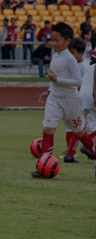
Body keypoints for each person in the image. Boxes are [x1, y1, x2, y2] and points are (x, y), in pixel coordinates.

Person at [33, 22, 96, 178]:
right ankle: (44, 165)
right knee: (48, 130)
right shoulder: (55, 56)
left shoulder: (70, 59)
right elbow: (55, 79)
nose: (53, 43)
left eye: (57, 40)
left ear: (67, 41)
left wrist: (57, 79)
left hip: (70, 100)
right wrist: (49, 90)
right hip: (55, 99)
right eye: (52, 40)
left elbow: (77, 81)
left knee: (80, 132)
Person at [63, 38, 88, 163]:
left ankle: (71, 152)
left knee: (76, 127)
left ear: (81, 53)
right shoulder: (72, 65)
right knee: (74, 127)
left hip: (78, 99)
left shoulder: (84, 66)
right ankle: (70, 153)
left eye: (73, 53)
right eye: (70, 53)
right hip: (72, 99)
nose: (71, 56)